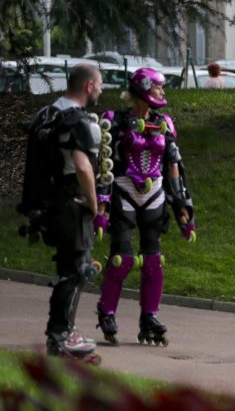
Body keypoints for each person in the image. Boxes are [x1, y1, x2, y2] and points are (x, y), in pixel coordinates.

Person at [94, 67, 197, 347]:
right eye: (158, 87)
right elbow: (104, 166)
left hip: (155, 193)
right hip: (124, 190)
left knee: (154, 259)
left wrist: (182, 208)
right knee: (122, 258)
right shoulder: (113, 121)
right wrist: (101, 207)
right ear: (143, 89)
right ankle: (107, 311)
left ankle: (149, 316)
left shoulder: (165, 122)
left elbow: (174, 165)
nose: (163, 92)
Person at [17, 64, 104, 362]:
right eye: (100, 85)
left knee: (68, 269)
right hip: (71, 202)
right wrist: (94, 203)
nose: (102, 91)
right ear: (89, 86)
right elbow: (82, 166)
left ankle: (60, 334)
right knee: (76, 270)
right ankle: (62, 335)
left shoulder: (47, 114)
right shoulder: (77, 121)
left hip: (47, 204)